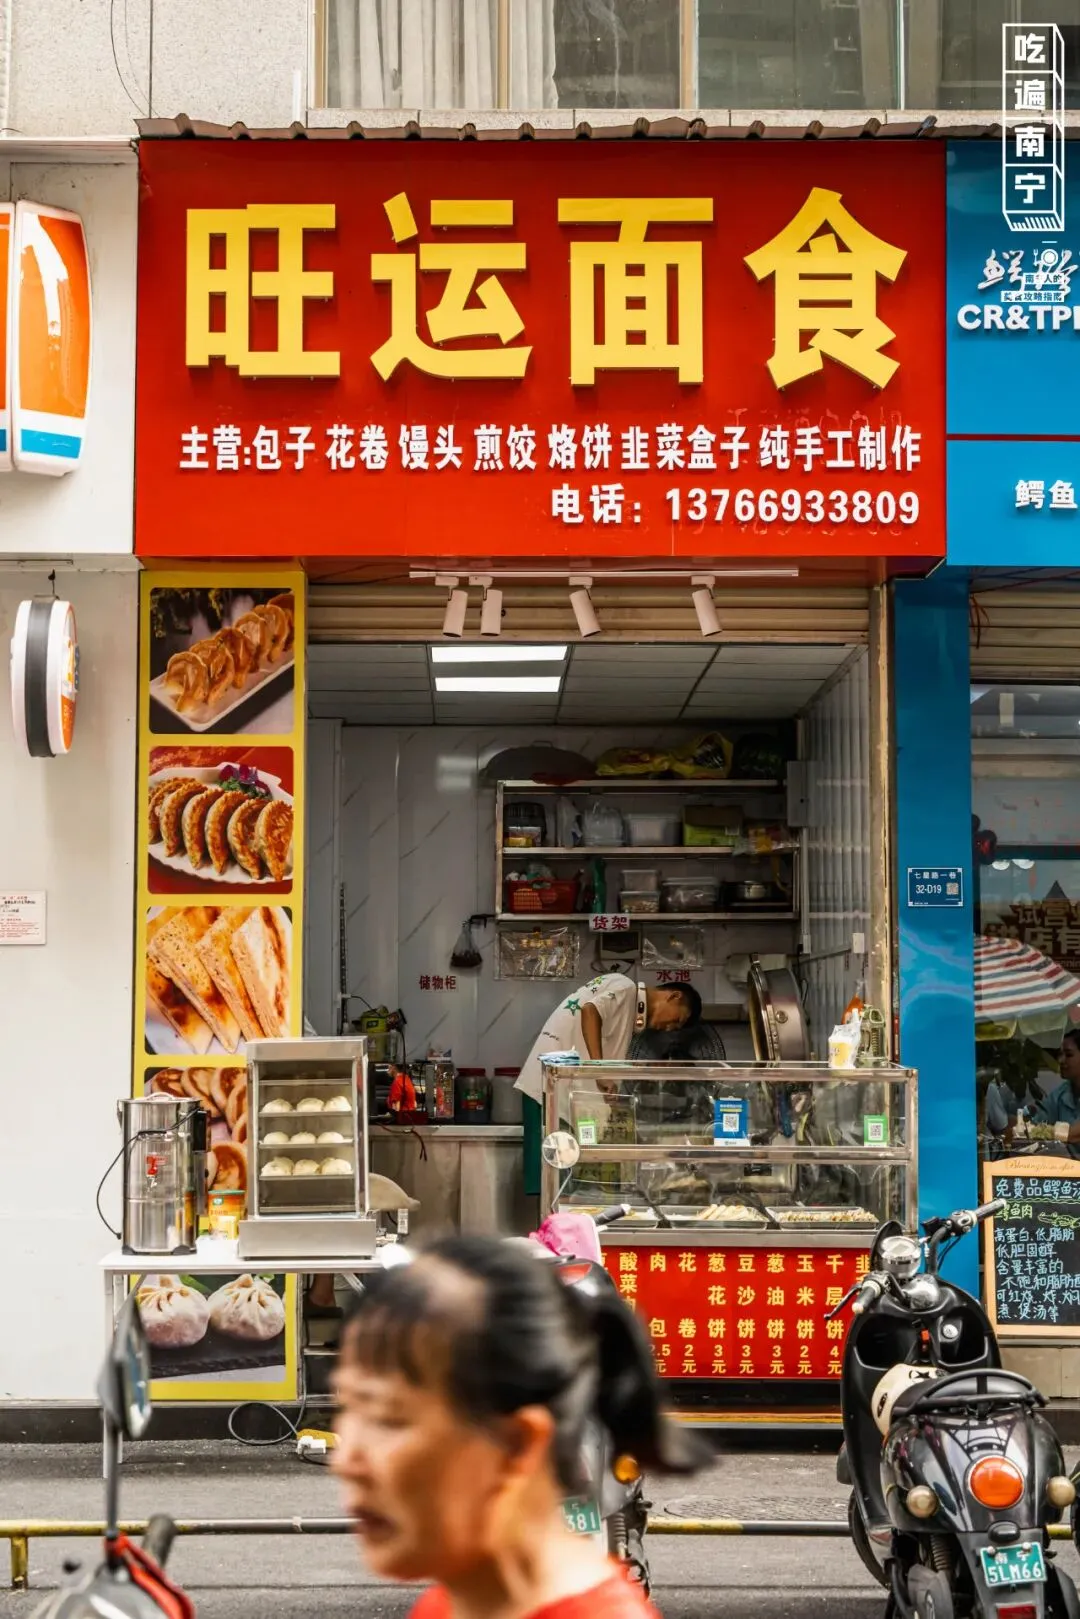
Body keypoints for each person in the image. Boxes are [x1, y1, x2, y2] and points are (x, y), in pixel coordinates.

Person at [332, 1235, 706, 1619]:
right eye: (349, 1409)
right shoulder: (451, 1605)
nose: (346, 1460)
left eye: (387, 1418)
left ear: (517, 1445)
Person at [515, 972, 702, 1104]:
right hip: (549, 1091)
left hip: (556, 1090)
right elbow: (590, 1010)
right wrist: (600, 1072)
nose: (669, 1028)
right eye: (677, 1020)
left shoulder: (628, 1008)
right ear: (675, 996)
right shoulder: (627, 988)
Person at [1026, 1029, 1080, 1158]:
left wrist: (1039, 1131)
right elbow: (1037, 1122)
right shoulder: (1061, 1093)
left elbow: (1073, 1134)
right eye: (1060, 1054)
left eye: (1069, 1055)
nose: (1061, 1060)